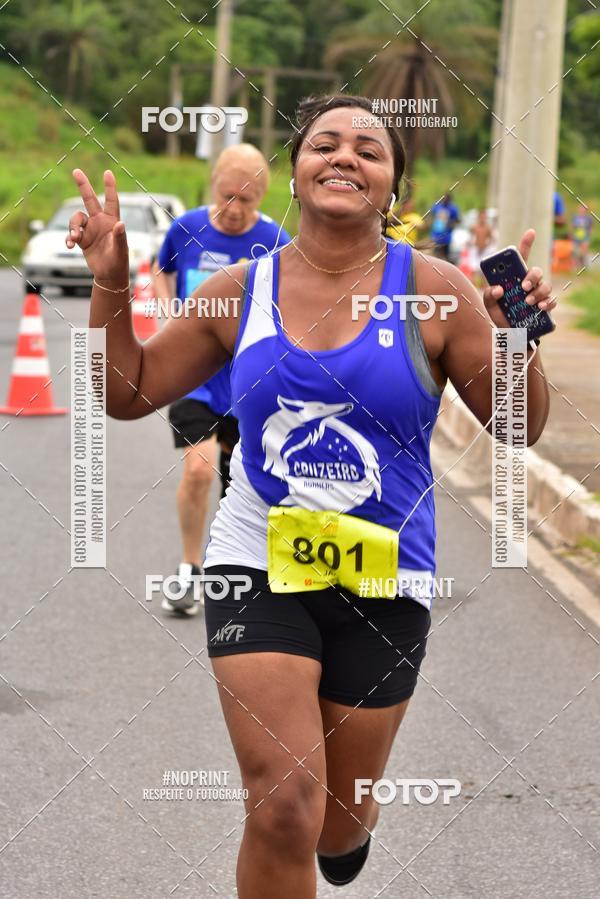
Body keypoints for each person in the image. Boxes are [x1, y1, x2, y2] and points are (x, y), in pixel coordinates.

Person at [67, 92, 555, 898]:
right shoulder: (238, 289)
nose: (345, 157)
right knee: (284, 801)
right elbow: (128, 389)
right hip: (256, 557)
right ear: (295, 171)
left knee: (336, 823)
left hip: (385, 577)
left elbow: (518, 424)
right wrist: (111, 284)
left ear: (393, 185)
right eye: (325, 143)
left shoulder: (437, 292)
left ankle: (348, 830)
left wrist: (512, 341)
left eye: (369, 148)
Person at [153, 144, 290, 615]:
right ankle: (190, 567)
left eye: (247, 200)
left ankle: (235, 572)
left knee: (240, 484)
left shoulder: (278, 241)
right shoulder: (187, 227)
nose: (235, 210)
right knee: (198, 467)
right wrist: (171, 317)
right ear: (214, 184)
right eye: (228, 196)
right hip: (194, 377)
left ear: (263, 197)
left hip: (250, 385)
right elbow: (162, 272)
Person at [429, 191, 460, 259]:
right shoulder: (437, 206)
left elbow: (457, 219)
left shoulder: (453, 208)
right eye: (443, 198)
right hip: (436, 236)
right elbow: (431, 215)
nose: (444, 199)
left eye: (446, 198)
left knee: (445, 257)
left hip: (446, 237)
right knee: (435, 256)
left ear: (449, 199)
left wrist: (451, 223)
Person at [571, 202, 593, 268]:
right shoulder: (575, 217)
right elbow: (573, 226)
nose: (582, 210)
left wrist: (589, 232)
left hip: (585, 237)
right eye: (581, 208)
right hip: (577, 237)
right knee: (576, 252)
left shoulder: (588, 218)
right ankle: (577, 266)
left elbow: (591, 226)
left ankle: (583, 265)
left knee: (584, 252)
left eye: (584, 209)